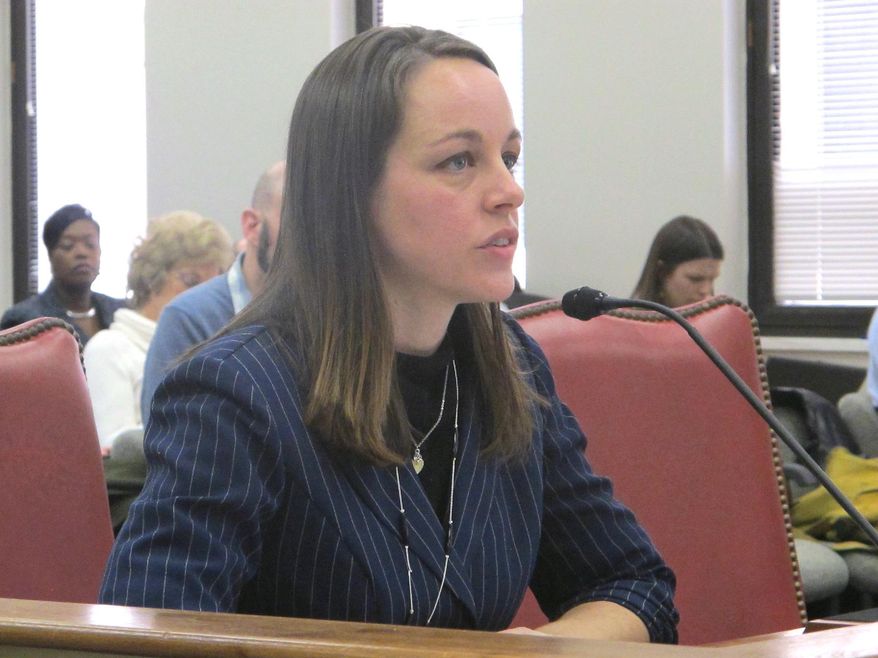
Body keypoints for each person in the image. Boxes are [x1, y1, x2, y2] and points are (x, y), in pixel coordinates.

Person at [100, 26, 678, 643]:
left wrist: (529, 651)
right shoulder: (234, 392)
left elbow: (635, 587)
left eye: (508, 157)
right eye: (459, 161)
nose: (511, 192)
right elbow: (144, 643)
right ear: (353, 193)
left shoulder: (511, 367)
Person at [139, 161, 284, 426]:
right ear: (252, 226)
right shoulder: (190, 318)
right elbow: (168, 445)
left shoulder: (324, 316)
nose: (310, 238)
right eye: (295, 220)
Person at [83, 211, 234, 450]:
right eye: (192, 281)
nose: (204, 295)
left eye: (214, 284)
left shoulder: (220, 348)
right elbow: (113, 450)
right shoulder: (109, 349)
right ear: (152, 278)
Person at [1, 204, 127, 344]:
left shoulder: (122, 312)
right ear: (50, 254)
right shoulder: (23, 320)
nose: (82, 253)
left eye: (90, 244)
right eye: (68, 245)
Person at [631, 215, 724, 308]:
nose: (706, 291)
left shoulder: (721, 321)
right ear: (661, 273)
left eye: (712, 280)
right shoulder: (627, 321)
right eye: (695, 279)